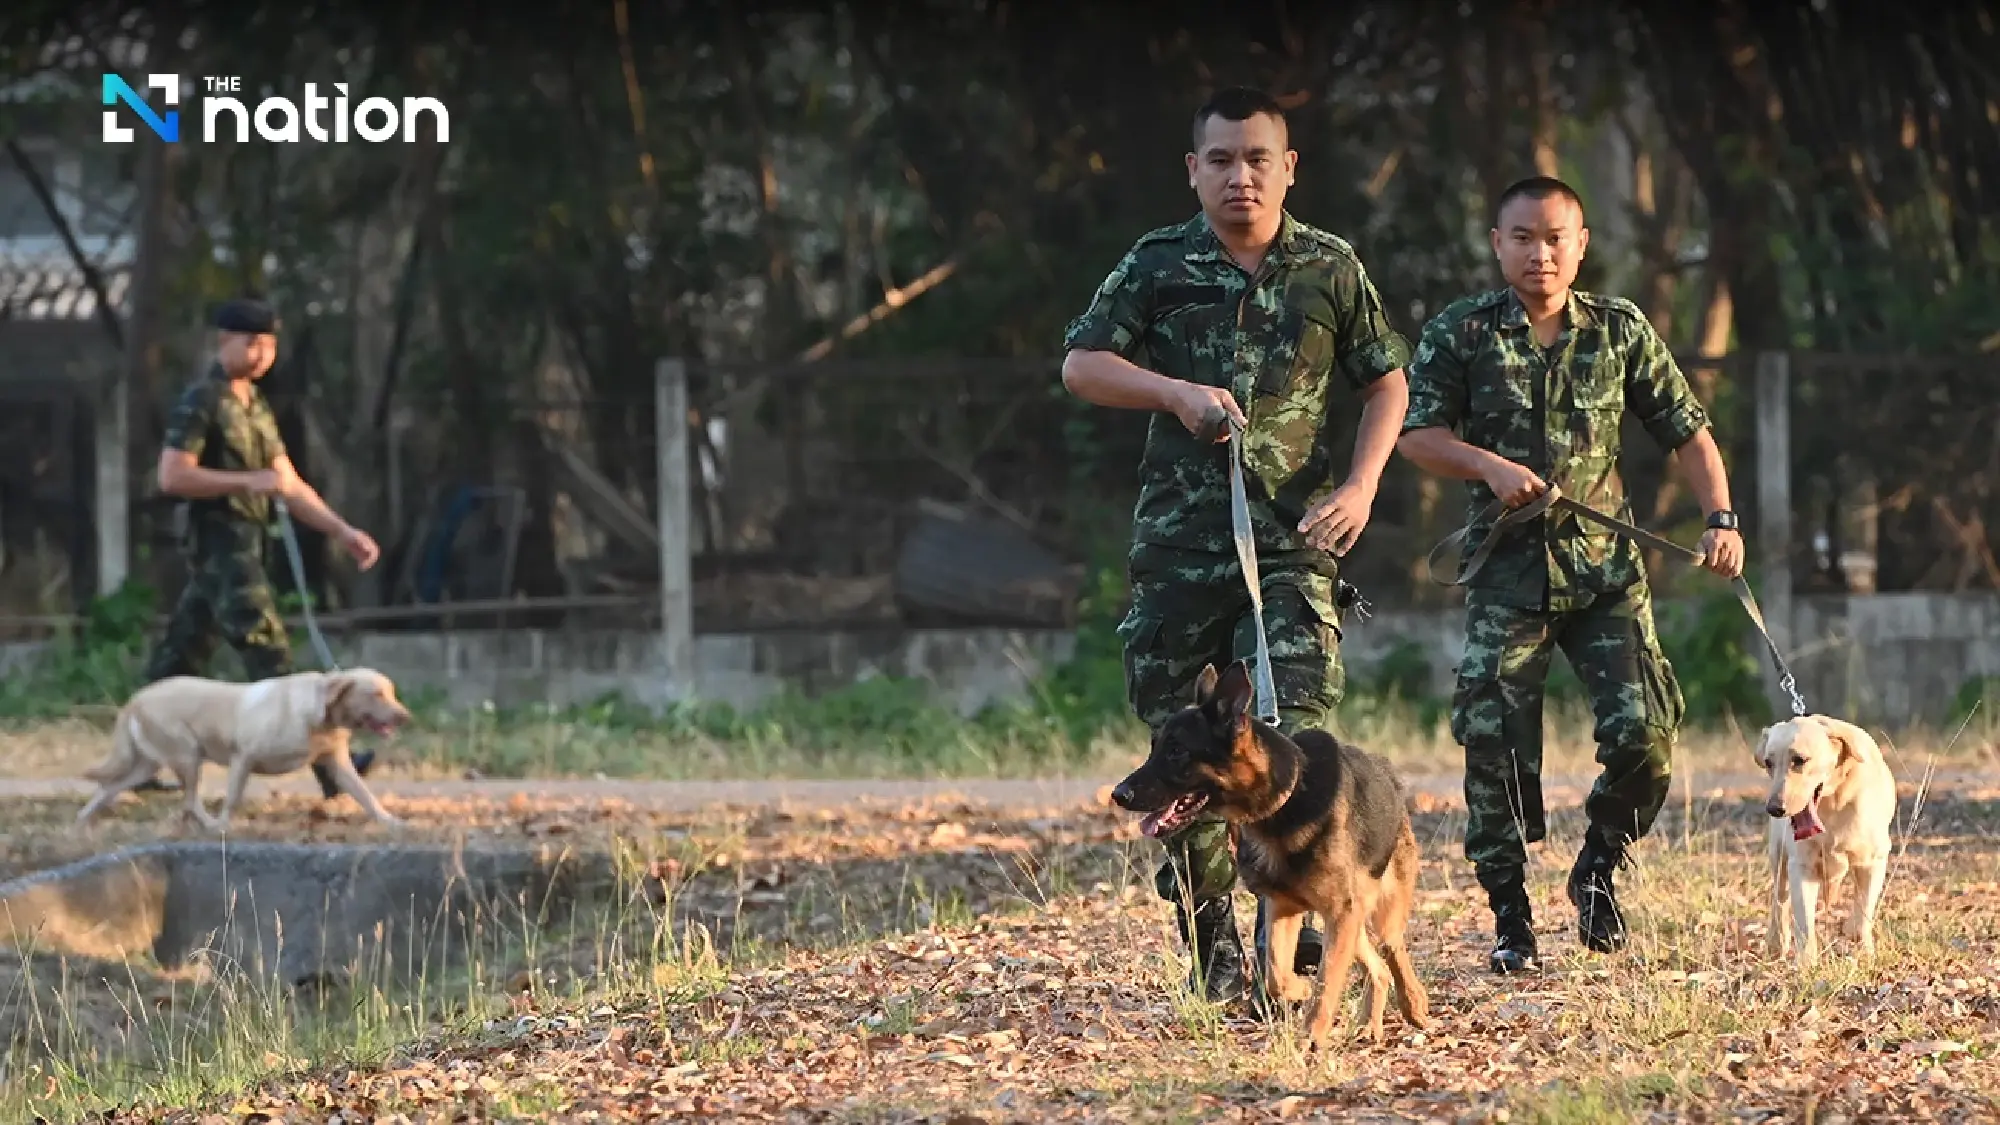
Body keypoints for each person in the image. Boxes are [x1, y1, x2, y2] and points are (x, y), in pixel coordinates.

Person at [1060, 87, 1412, 1006]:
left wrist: (1363, 485)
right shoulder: (1156, 263)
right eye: (1220, 160)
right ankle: (1214, 942)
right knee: (1184, 753)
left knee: (1292, 732)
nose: (1240, 175)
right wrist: (1174, 391)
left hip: (1295, 543)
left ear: (1289, 167)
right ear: (1194, 170)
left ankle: (1283, 940)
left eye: (1258, 158)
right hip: (1181, 551)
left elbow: (1387, 384)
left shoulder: (1330, 267)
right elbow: (1082, 365)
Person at [1396, 176, 1746, 973]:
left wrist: (1720, 517)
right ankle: (1510, 919)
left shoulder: (1619, 330)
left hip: (1605, 579)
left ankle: (1599, 869)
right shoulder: (1462, 331)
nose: (1540, 253)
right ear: (1497, 242)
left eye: (1556, 237)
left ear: (1581, 244)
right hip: (1506, 576)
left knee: (1646, 736)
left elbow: (1688, 432)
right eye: (1522, 237)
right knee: (1493, 746)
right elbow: (1416, 435)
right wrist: (1486, 466)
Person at [135, 297, 384, 802]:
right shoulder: (202, 400)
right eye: (250, 342)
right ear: (221, 340)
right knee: (267, 648)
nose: (261, 353)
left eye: (268, 344)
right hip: (220, 546)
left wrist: (340, 531)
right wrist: (248, 481)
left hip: (248, 543)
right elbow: (173, 474)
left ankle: (139, 754)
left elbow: (286, 483)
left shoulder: (255, 405)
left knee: (180, 657)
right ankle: (331, 769)